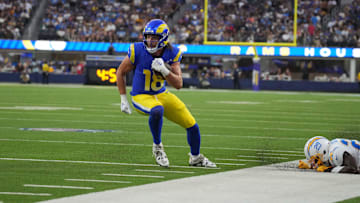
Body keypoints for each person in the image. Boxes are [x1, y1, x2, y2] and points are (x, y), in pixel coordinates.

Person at [116, 19, 216, 168]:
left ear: (163, 38)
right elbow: (120, 72)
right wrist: (123, 98)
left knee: (192, 125)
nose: (150, 40)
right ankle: (157, 147)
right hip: (141, 96)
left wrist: (165, 70)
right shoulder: (137, 50)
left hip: (162, 94)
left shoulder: (172, 53)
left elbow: (178, 84)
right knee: (157, 110)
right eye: (148, 36)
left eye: (154, 37)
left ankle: (195, 158)